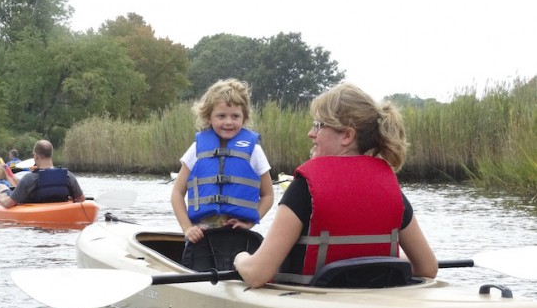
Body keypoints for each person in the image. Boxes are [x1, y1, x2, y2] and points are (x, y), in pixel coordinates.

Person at [234, 82, 438, 288]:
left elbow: (257, 274)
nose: (311, 133)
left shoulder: (304, 188)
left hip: (314, 307)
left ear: (347, 136)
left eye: (318, 125)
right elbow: (427, 268)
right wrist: (391, 265)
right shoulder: (390, 187)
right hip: (378, 304)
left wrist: (240, 258)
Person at [171, 78, 274, 244]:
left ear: (244, 117)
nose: (228, 122)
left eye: (235, 116)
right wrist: (187, 228)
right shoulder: (197, 149)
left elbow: (268, 195)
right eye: (221, 116)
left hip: (237, 237)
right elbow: (177, 194)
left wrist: (250, 223)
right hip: (201, 239)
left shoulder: (254, 150)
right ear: (208, 117)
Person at [0, 139, 86, 208]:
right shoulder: (67, 175)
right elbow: (82, 199)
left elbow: (8, 204)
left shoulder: (29, 179)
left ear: (35, 156)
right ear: (51, 155)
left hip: (35, 212)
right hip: (59, 211)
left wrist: (1, 197)